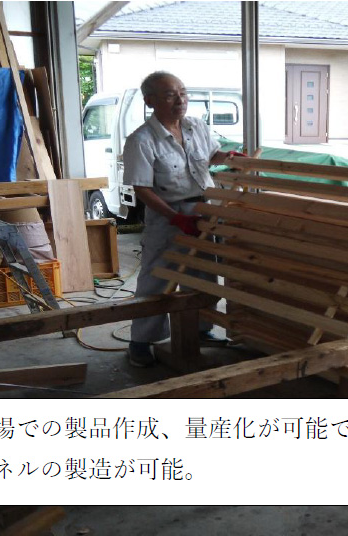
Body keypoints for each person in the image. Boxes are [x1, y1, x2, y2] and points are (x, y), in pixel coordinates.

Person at [122, 71, 243, 367]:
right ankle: (141, 341)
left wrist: (227, 157)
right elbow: (142, 189)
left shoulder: (196, 126)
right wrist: (176, 218)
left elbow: (211, 156)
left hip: (203, 211)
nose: (180, 100)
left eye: (183, 93)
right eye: (170, 95)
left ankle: (200, 329)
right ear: (150, 101)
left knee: (203, 274)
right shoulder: (141, 140)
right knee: (156, 278)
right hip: (168, 216)